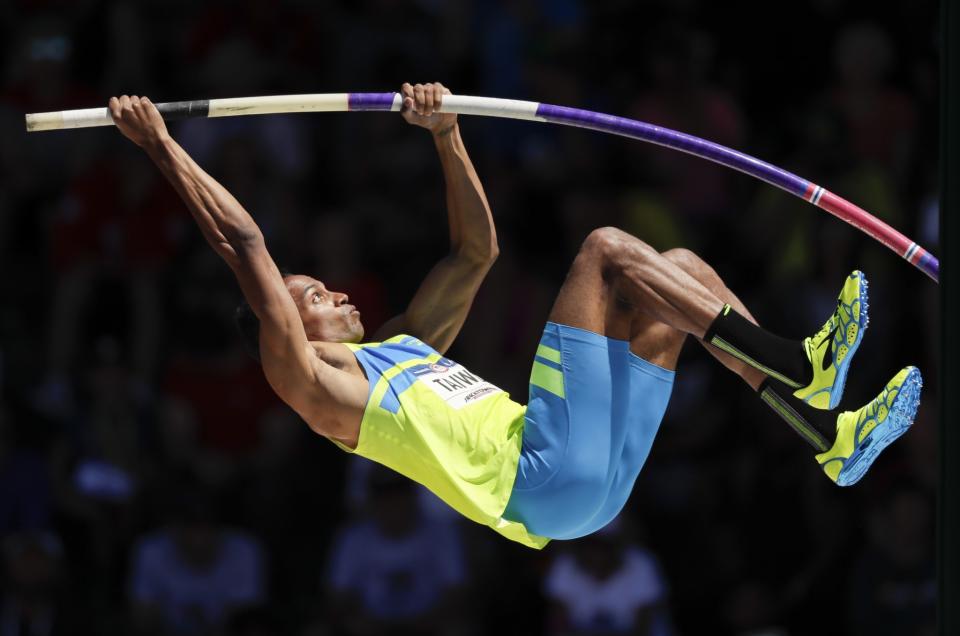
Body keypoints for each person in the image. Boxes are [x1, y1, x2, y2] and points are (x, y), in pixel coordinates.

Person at [106, 82, 922, 549]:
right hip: (542, 478)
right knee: (605, 248)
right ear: (286, 330)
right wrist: (160, 145)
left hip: (588, 487)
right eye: (314, 297)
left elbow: (475, 255)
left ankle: (826, 437)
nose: (339, 294)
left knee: (675, 280)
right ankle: (799, 364)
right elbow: (241, 240)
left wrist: (446, 136)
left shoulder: (404, 349)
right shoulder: (308, 383)